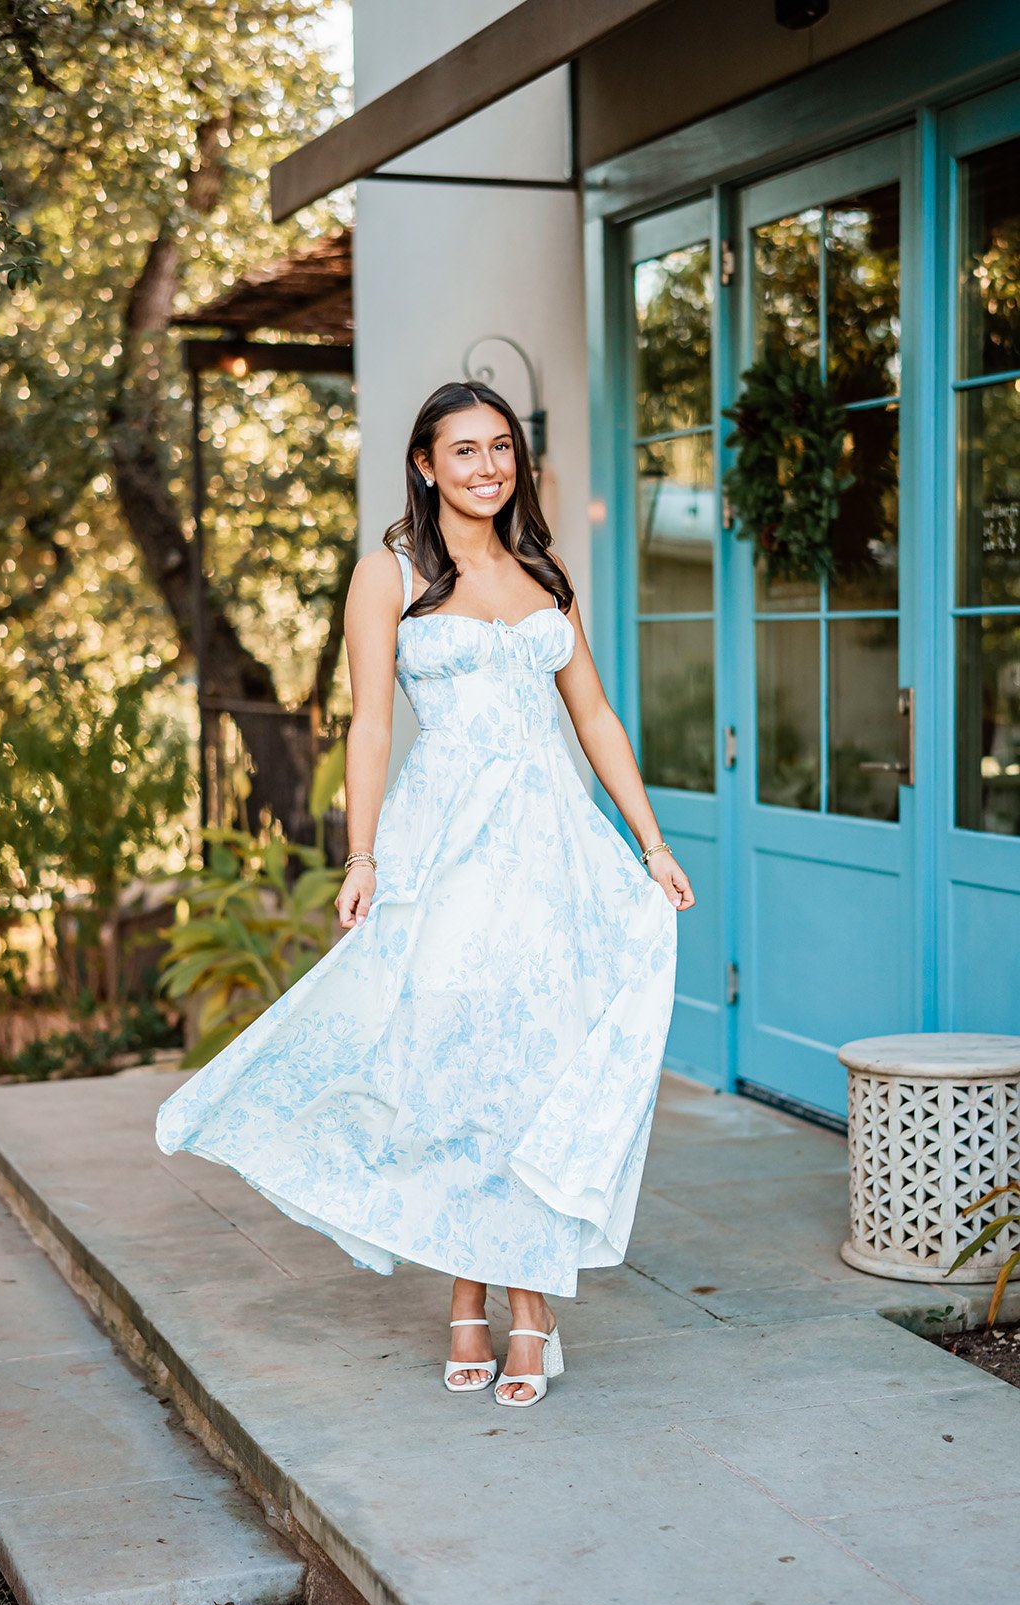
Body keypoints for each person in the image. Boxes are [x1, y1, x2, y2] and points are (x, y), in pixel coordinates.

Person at [155, 380, 694, 1407]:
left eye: (502, 450)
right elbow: (369, 726)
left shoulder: (545, 572)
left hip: (557, 858)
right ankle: (465, 1294)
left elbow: (594, 718)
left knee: (537, 1067)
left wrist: (651, 841)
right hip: (447, 849)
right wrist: (364, 859)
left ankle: (525, 1307)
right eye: (466, 451)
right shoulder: (387, 574)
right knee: (455, 1071)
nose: (489, 467)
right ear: (425, 463)